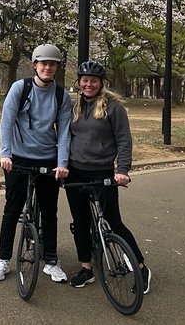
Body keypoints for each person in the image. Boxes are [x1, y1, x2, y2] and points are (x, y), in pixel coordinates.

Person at [65, 60, 151, 294]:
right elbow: (64, 139)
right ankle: (86, 268)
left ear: (101, 83)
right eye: (85, 80)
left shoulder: (113, 108)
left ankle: (141, 267)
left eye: (93, 81)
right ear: (79, 82)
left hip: (102, 172)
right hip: (75, 172)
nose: (89, 84)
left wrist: (122, 170)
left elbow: (124, 140)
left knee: (113, 220)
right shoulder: (74, 107)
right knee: (80, 222)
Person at [0, 44, 72, 282]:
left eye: (52, 64)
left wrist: (63, 162)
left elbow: (64, 131)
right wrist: (5, 154)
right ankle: (3, 259)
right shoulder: (20, 88)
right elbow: (6, 122)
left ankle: (52, 261)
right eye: (43, 63)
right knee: (12, 210)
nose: (48, 67)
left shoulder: (61, 96)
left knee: (49, 212)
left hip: (48, 159)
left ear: (56, 68)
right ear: (35, 65)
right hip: (18, 158)